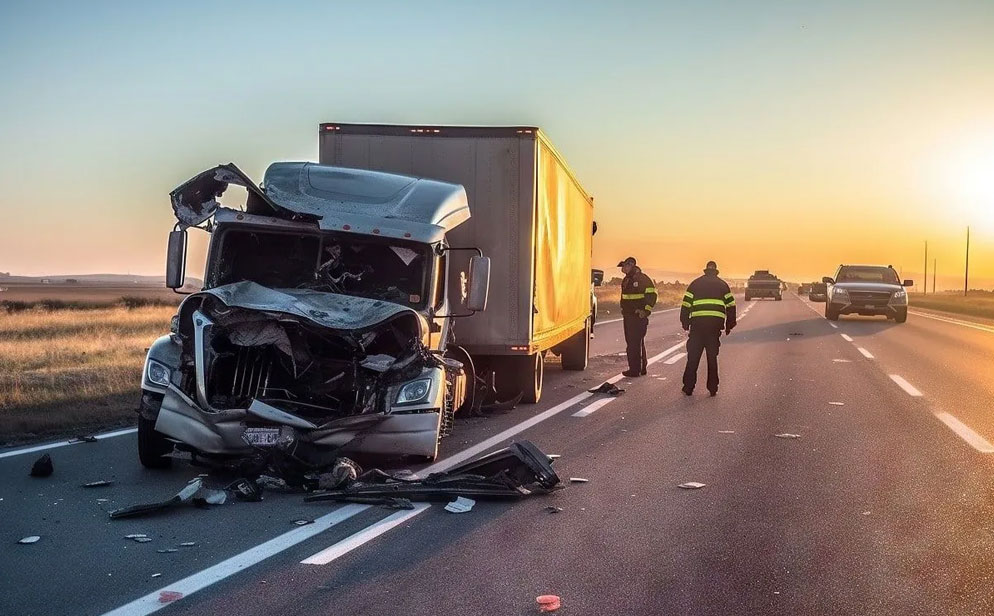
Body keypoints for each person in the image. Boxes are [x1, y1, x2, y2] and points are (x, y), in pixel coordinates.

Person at [680, 260, 736, 396]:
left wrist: (685, 322)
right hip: (714, 328)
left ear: (706, 269)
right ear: (716, 270)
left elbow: (686, 304)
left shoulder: (695, 283)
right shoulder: (723, 285)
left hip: (697, 327)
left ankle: (688, 387)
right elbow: (731, 306)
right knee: (712, 358)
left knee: (693, 358)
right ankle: (712, 388)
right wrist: (729, 325)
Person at [618, 257, 657, 377]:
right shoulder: (627, 279)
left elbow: (652, 296)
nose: (622, 269)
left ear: (631, 265)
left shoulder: (642, 279)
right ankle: (641, 367)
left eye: (624, 266)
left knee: (633, 344)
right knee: (636, 342)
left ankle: (634, 370)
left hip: (637, 316)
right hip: (628, 315)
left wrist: (645, 311)